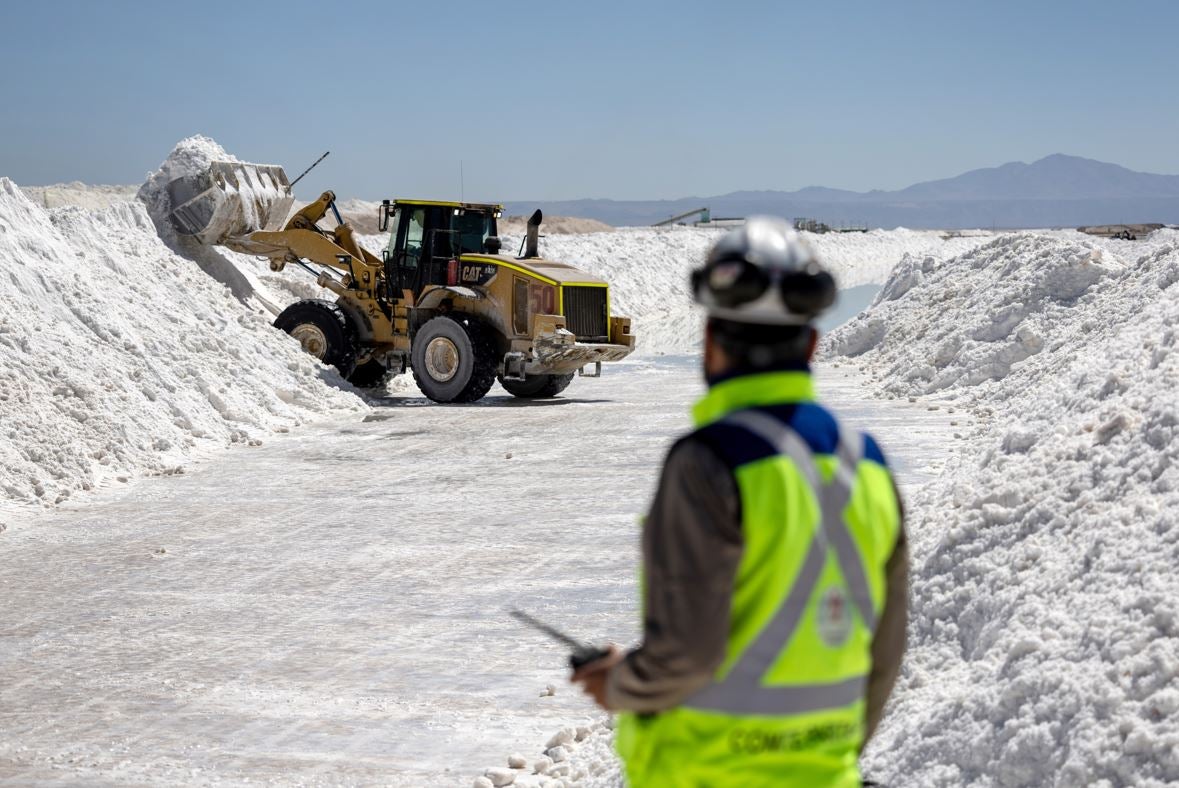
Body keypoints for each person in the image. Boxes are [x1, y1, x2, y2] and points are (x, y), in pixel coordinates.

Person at [572, 217, 908, 787]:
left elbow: (688, 655)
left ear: (708, 342)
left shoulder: (707, 464)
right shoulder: (868, 463)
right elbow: (885, 652)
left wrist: (619, 683)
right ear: (811, 343)